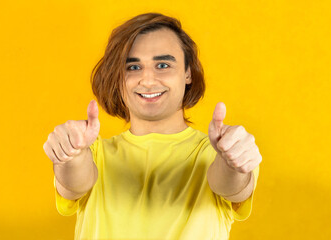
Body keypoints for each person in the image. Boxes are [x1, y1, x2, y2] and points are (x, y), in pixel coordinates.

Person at [43, 12, 262, 240]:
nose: (147, 81)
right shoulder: (94, 155)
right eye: (133, 68)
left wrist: (234, 163)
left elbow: (231, 184)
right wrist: (69, 154)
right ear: (118, 78)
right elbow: (74, 181)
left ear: (187, 73)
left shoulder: (219, 152)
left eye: (163, 65)